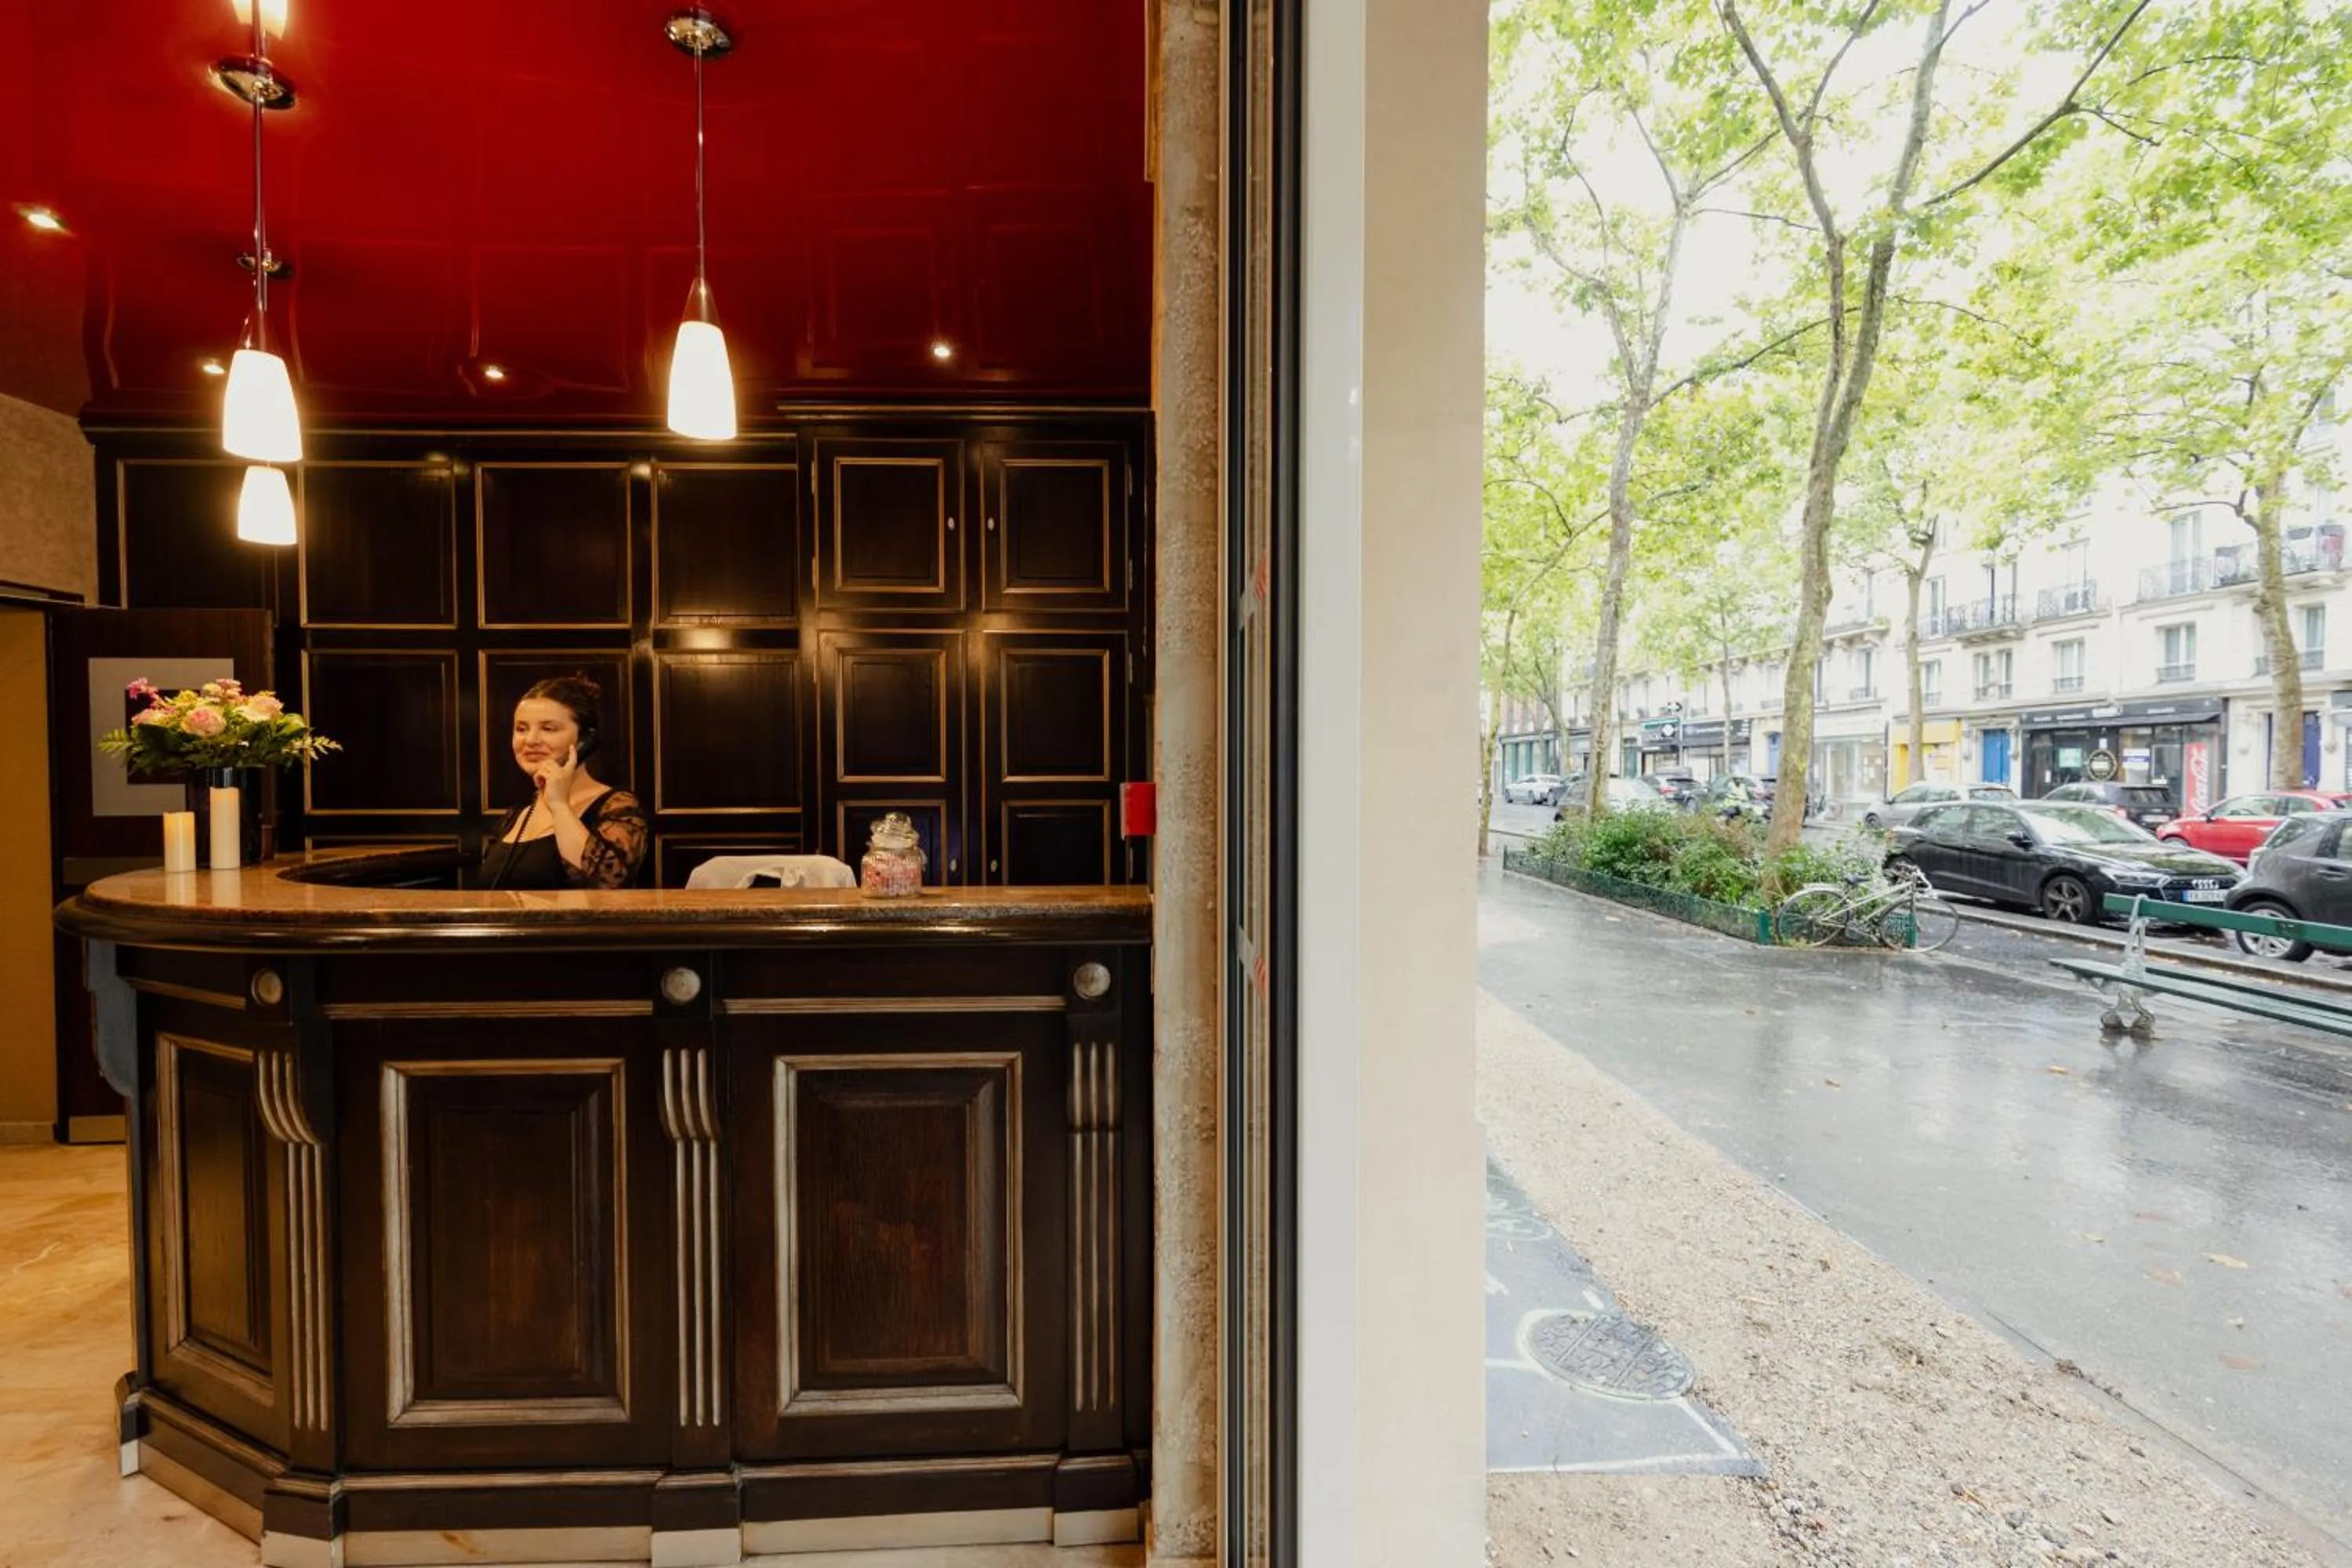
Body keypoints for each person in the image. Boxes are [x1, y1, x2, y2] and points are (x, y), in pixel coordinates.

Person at [477, 675, 648, 890]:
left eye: (549, 729)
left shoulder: (617, 806)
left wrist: (559, 806)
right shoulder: (516, 816)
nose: (530, 740)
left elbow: (610, 882)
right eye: (521, 729)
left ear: (585, 740)